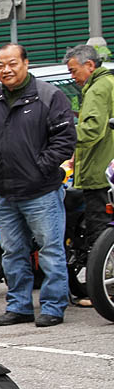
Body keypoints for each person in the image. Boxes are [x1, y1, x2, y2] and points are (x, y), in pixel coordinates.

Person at [0, 43, 76, 327]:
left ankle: (53, 307)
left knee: (50, 250)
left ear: (26, 64)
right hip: (4, 192)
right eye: (0, 65)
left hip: (41, 191)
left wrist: (38, 168)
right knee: (13, 252)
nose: (6, 70)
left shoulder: (49, 96)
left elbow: (65, 141)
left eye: (12, 63)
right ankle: (19, 307)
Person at [64, 44, 114, 307]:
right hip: (107, 170)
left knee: (99, 234)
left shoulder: (97, 88)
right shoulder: (110, 84)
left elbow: (92, 130)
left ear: (90, 66)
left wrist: (63, 138)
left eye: (74, 71)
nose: (73, 76)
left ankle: (102, 291)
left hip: (98, 174)